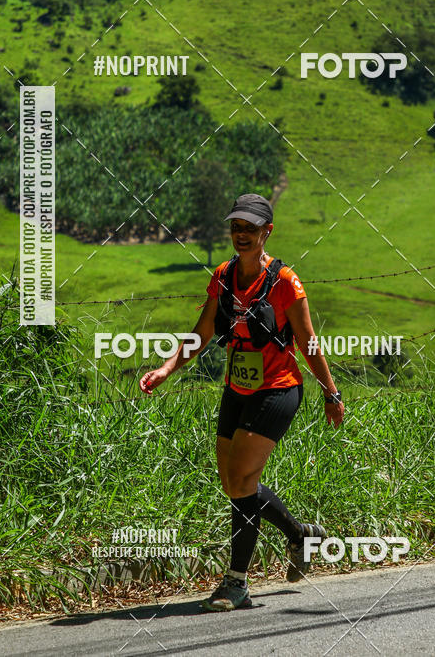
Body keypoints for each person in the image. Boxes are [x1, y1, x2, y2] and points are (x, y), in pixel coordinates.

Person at [140, 192, 344, 611]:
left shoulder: (286, 282)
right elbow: (200, 332)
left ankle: (236, 583)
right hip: (237, 388)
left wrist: (331, 392)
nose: (241, 235)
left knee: (241, 479)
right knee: (236, 485)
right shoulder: (222, 275)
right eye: (236, 227)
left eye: (250, 229)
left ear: (267, 232)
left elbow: (309, 343)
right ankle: (300, 533)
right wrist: (166, 368)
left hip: (278, 390)